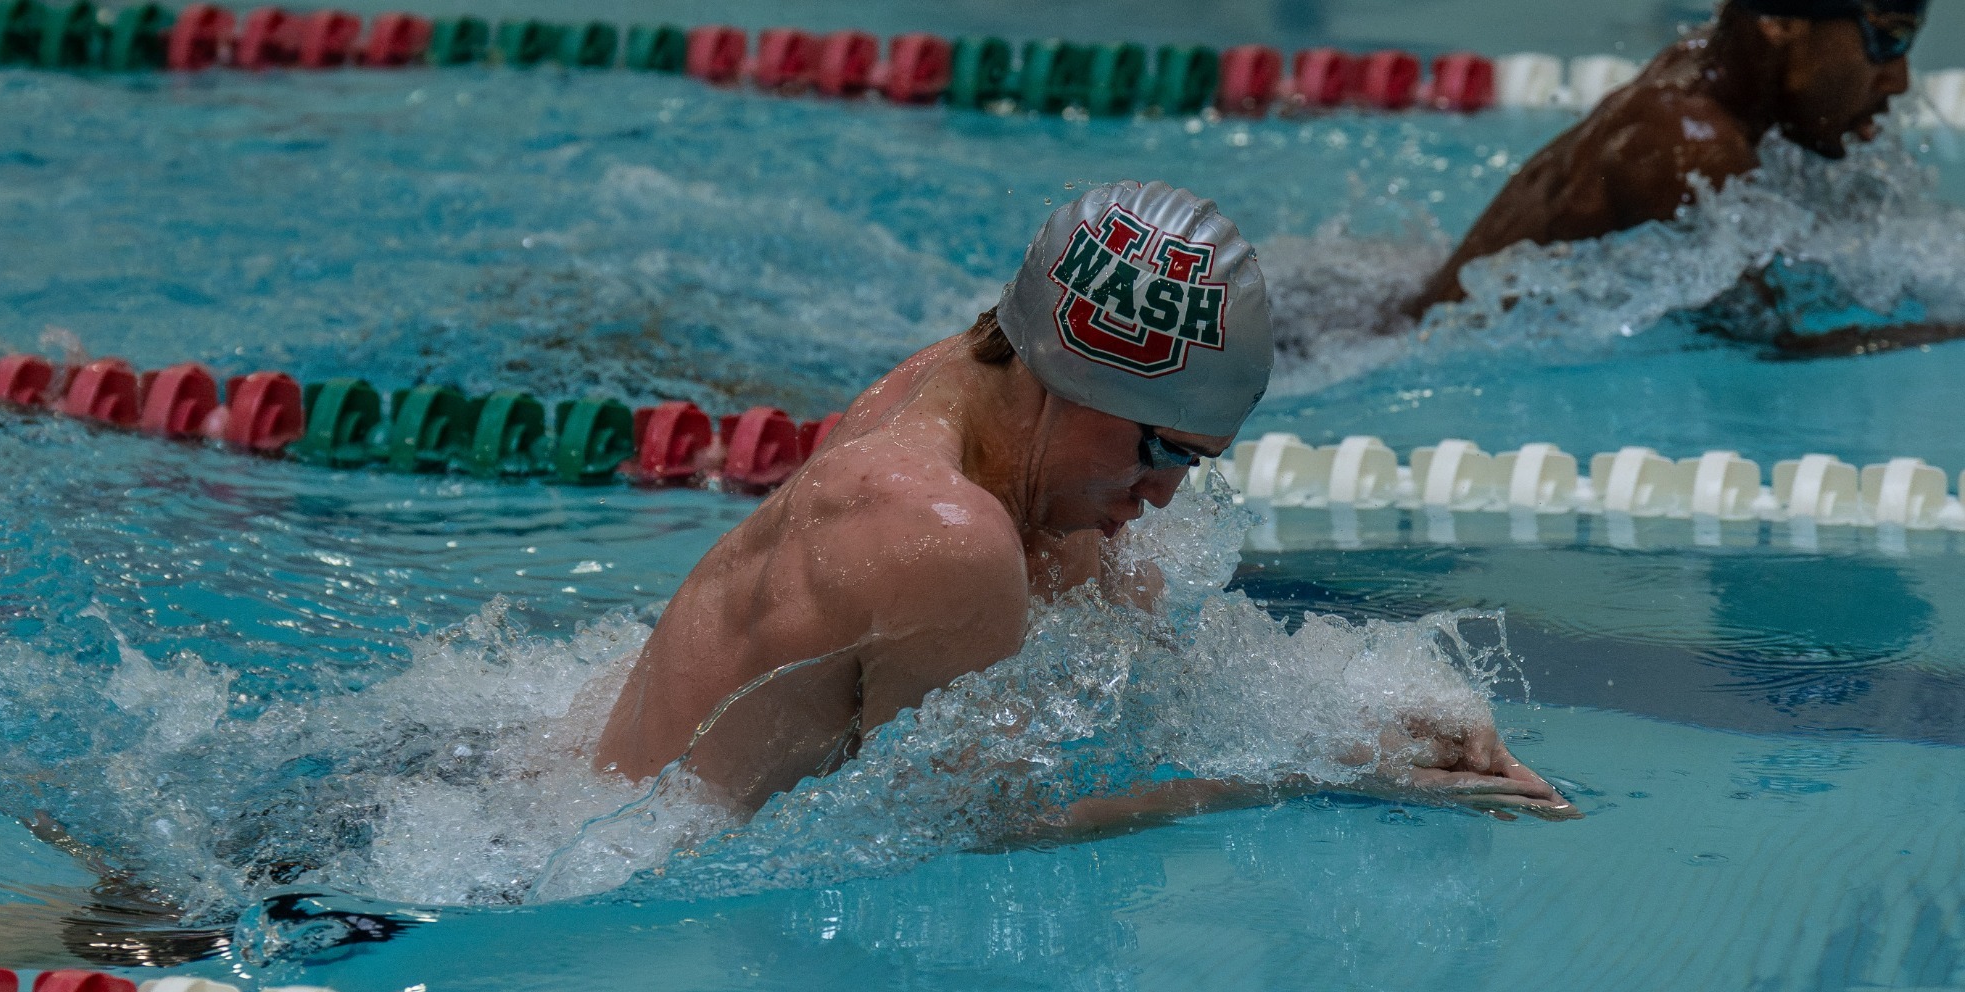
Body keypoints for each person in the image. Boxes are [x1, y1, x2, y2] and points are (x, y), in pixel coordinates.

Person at [594, 181, 1572, 826]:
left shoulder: (974, 393)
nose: (1160, 495)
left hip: (594, 775)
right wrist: (1308, 780)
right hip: (624, 860)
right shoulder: (942, 535)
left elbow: (1137, 654)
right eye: (1161, 450)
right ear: (1076, 381)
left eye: (1191, 463)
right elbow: (963, 831)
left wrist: (1362, 725)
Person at [1407, 0, 1928, 328]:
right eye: (1889, 39)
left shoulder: (1709, 67)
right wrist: (1944, 330)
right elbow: (1767, 344)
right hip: (1435, 349)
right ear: (1782, 24)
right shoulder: (1689, 145)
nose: (1899, 80)